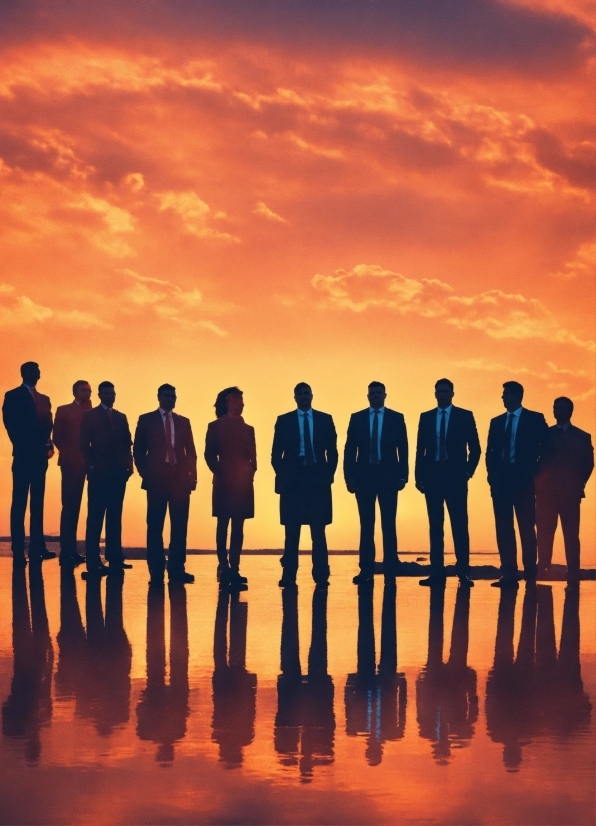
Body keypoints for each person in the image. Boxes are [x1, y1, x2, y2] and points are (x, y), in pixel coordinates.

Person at [415, 378, 481, 588]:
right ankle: (437, 573)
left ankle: (463, 572)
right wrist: (419, 477)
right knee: (435, 526)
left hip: (456, 478)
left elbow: (476, 449)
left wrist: (468, 472)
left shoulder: (464, 416)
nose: (442, 394)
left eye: (446, 391)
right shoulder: (426, 418)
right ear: (435, 394)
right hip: (432, 477)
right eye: (439, 391)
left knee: (459, 525)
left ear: (453, 393)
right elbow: (420, 450)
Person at [272, 382, 338, 588]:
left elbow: (333, 452)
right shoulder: (283, 421)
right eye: (299, 394)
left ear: (312, 395)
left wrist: (327, 475)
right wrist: (285, 474)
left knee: (318, 531)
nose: (303, 396)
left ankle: (321, 575)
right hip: (293, 480)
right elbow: (275, 455)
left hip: (318, 479)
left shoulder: (325, 420)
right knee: (292, 531)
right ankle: (289, 575)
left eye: (306, 393)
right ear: (295, 397)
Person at [486, 381, 550, 588]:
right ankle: (509, 574)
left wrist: (535, 470)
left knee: (526, 527)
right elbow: (490, 453)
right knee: (504, 528)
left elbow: (548, 449)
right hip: (501, 481)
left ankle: (530, 572)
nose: (502, 397)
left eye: (505, 394)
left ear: (516, 396)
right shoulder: (496, 422)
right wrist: (492, 476)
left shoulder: (534, 419)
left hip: (523, 479)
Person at [344, 381, 408, 585]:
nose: (376, 396)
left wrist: (403, 476)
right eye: (372, 393)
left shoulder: (396, 418)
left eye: (379, 393)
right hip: (364, 478)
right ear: (367, 396)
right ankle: (366, 570)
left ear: (385, 395)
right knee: (366, 525)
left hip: (388, 477)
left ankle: (390, 571)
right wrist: (349, 477)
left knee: (389, 525)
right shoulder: (357, 418)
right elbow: (349, 450)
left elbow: (403, 449)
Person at [134, 384, 197, 586]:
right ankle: (156, 568)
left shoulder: (183, 422)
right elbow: (138, 452)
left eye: (173, 396)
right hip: (157, 480)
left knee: (180, 526)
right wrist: (147, 474)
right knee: (155, 526)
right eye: (167, 396)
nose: (170, 399)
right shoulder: (146, 420)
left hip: (180, 480)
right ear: (159, 397)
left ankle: (177, 568)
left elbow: (191, 452)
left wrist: (192, 477)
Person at [2, 362, 55, 565]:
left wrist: (47, 443)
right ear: (24, 373)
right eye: (34, 371)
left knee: (37, 503)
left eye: (39, 371)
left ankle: (37, 548)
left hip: (40, 457)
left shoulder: (44, 399)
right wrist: (27, 444)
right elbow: (10, 424)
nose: (38, 374)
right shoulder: (13, 396)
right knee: (19, 503)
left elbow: (48, 424)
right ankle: (18, 550)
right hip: (24, 456)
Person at [536, 397, 593, 584]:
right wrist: (540, 481)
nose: (557, 410)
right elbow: (538, 459)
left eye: (561, 407)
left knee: (571, 533)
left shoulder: (582, 437)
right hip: (547, 492)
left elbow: (588, 464)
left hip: (570, 493)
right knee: (545, 530)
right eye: (555, 407)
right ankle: (543, 565)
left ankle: (573, 570)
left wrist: (577, 484)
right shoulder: (546, 434)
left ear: (570, 411)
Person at [80, 381, 133, 578]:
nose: (111, 396)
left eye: (113, 393)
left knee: (114, 516)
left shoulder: (121, 417)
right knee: (95, 518)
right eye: (107, 393)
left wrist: (129, 466)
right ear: (100, 395)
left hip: (118, 473)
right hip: (99, 473)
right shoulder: (90, 416)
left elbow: (128, 442)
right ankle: (93, 562)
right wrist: (91, 466)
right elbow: (84, 443)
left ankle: (115, 558)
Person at [204, 387, 256, 588]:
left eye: (242, 401)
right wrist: (221, 472)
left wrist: (249, 474)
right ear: (228, 403)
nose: (241, 404)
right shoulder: (215, 427)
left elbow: (253, 457)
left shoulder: (248, 429)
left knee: (239, 526)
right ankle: (223, 566)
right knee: (223, 524)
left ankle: (235, 567)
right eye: (237, 401)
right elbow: (209, 455)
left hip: (243, 484)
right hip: (223, 482)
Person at [53, 380, 92, 567]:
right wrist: (72, 455)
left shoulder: (93, 412)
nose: (87, 393)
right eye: (84, 390)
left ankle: (75, 550)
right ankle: (66, 552)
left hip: (92, 465)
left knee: (89, 509)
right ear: (75, 391)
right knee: (70, 508)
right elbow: (57, 437)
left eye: (89, 390)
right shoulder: (64, 410)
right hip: (71, 465)